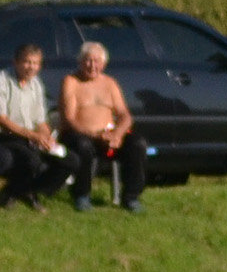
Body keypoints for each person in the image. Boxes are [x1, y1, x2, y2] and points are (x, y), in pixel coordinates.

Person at [60, 41, 146, 213]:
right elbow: (69, 118)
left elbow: (125, 115)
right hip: (79, 134)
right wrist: (93, 134)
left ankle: (131, 197)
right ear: (80, 62)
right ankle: (82, 195)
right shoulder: (71, 82)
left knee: (138, 144)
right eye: (88, 61)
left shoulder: (110, 83)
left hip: (109, 136)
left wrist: (117, 134)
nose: (92, 65)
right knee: (83, 146)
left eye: (97, 61)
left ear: (104, 64)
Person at [0, 43, 78, 211]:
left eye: (35, 63)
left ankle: (27, 190)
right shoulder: (3, 80)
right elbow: (2, 119)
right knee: (32, 160)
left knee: (70, 160)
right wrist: (32, 136)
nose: (31, 67)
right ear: (16, 62)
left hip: (31, 138)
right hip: (8, 136)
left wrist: (46, 137)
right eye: (27, 62)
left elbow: (41, 120)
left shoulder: (36, 84)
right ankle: (15, 193)